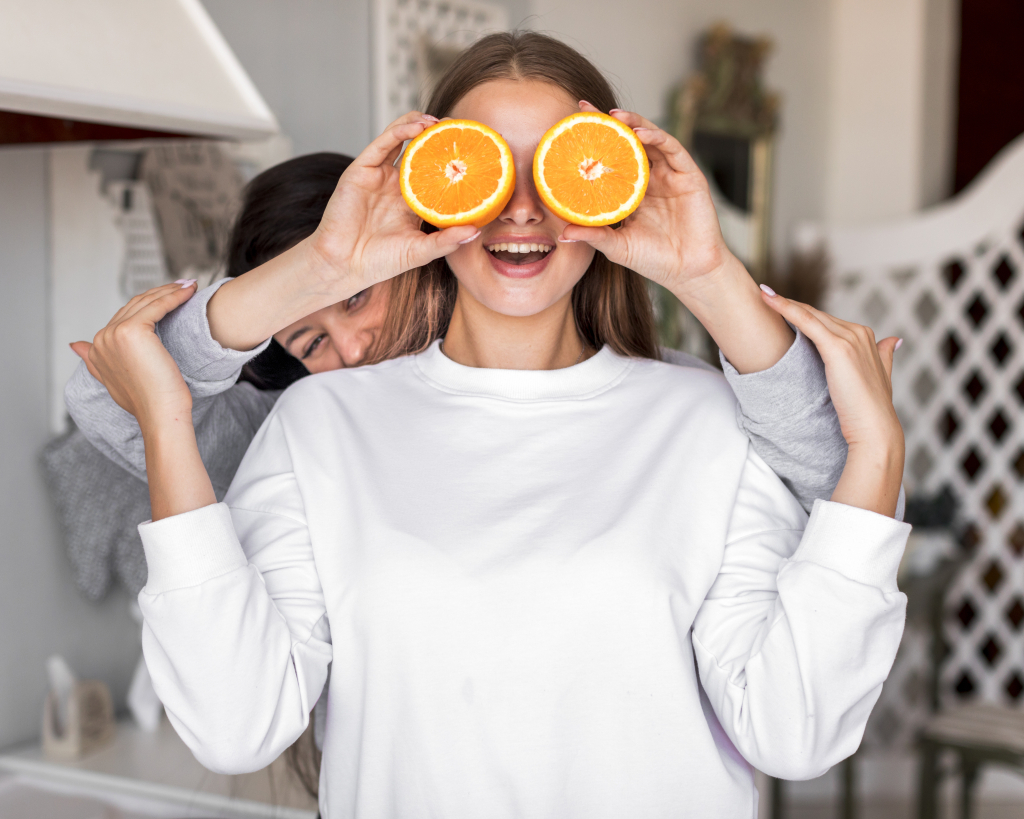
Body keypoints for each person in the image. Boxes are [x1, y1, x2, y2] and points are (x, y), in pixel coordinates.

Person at [73, 31, 908, 818]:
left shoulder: (710, 421)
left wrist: (875, 450)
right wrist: (186, 408)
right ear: (429, 188)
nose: (519, 208)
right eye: (481, 168)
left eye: (556, 169)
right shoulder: (318, 422)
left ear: (613, 186)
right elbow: (233, 723)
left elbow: (795, 730)